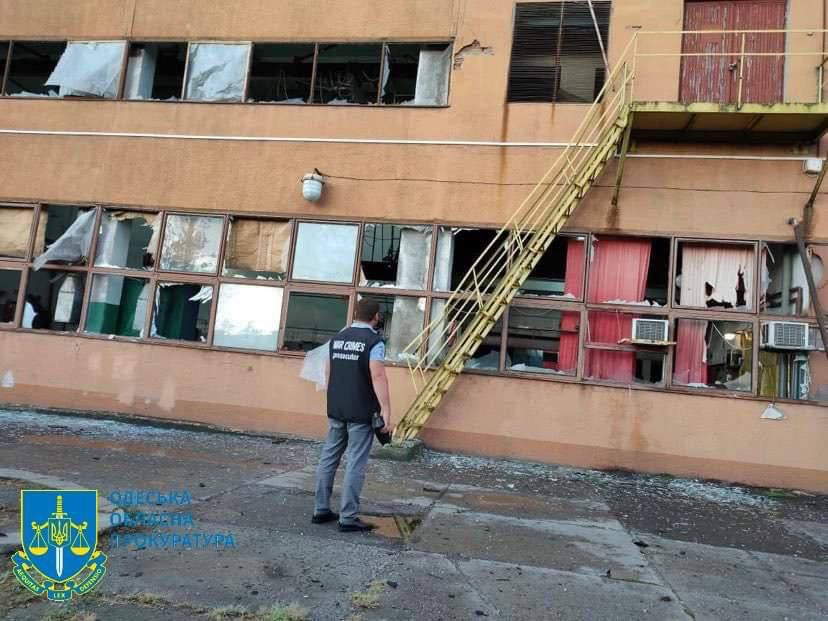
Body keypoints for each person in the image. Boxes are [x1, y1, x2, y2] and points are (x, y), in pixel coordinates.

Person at [312, 299, 393, 532]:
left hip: (337, 408)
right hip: (361, 411)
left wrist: (335, 398)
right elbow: (378, 376)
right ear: (376, 317)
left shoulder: (338, 338)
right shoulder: (374, 341)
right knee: (356, 462)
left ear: (356, 314)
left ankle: (321, 509)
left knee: (329, 457)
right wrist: (386, 410)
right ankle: (348, 517)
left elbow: (328, 371)